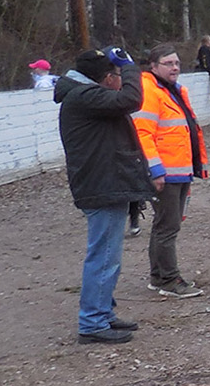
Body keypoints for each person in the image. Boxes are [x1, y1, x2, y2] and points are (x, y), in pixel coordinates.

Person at [54, 47, 154, 344]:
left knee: (109, 255)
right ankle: (93, 321)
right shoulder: (85, 97)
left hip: (104, 183)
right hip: (103, 185)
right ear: (106, 78)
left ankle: (102, 313)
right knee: (104, 255)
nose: (120, 81)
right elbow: (132, 99)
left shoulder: (84, 97)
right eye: (118, 75)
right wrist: (133, 67)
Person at [134, 43, 207, 297]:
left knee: (164, 225)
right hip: (167, 172)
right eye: (168, 63)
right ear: (153, 67)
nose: (175, 67)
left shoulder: (171, 91)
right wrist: (155, 170)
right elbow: (143, 133)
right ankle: (169, 280)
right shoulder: (152, 92)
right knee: (168, 227)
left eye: (177, 63)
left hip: (178, 170)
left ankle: (160, 277)